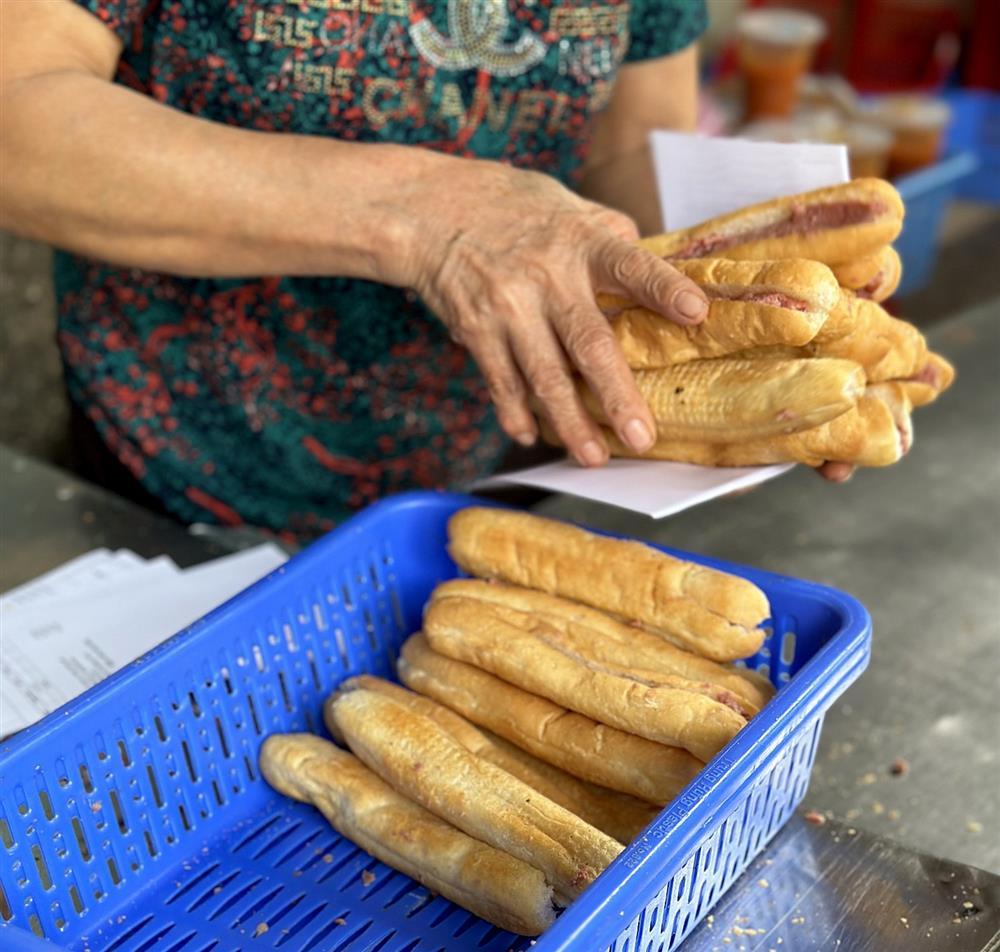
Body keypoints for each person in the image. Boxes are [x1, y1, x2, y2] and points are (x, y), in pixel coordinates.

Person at [2, 2, 816, 542]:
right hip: (181, 475)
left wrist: (718, 326)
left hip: (508, 459)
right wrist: (424, 216)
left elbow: (630, 139)